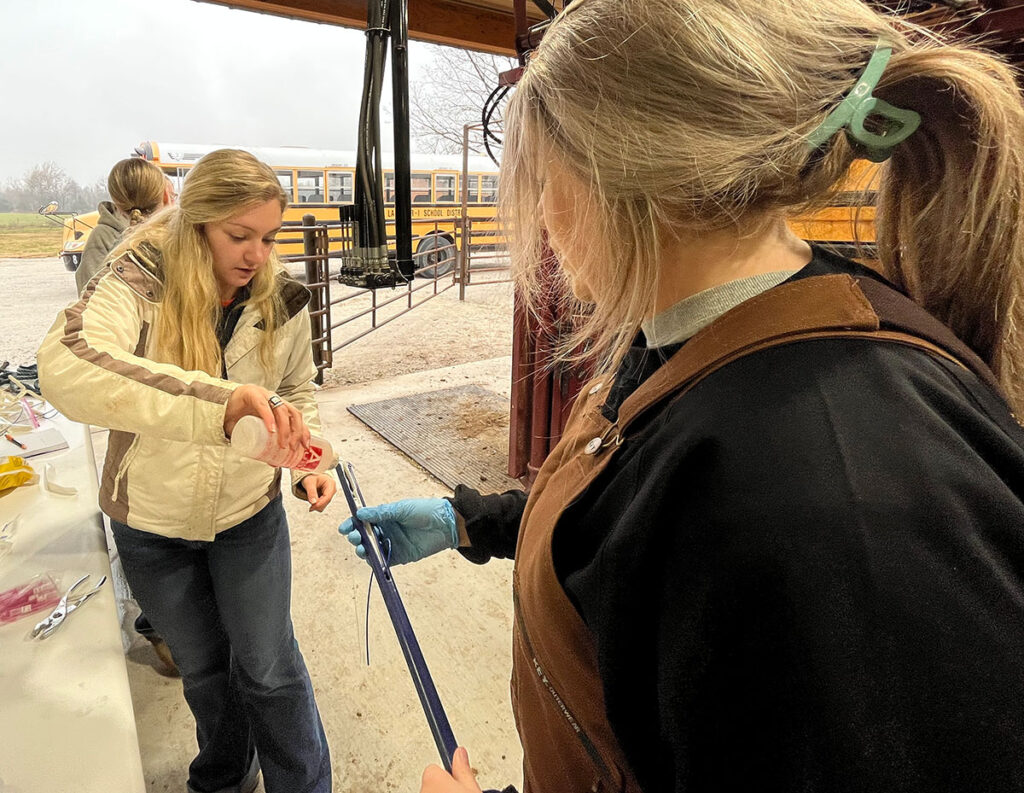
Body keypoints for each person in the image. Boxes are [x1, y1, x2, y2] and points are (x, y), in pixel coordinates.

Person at [341, 1, 1024, 791]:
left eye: (540, 177)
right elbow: (645, 516)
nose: (539, 218)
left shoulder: (829, 500)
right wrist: (473, 520)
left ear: (615, 175)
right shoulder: (705, 331)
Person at [39, 148, 335, 793]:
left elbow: (298, 388)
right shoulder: (139, 277)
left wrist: (307, 452)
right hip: (150, 520)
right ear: (195, 222)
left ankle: (304, 786)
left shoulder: (282, 299)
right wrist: (221, 405)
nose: (257, 254)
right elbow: (66, 364)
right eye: (239, 236)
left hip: (247, 516)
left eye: (269, 237)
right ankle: (224, 779)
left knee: (270, 668)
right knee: (205, 672)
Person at [75, 157, 175, 294]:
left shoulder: (101, 237)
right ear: (165, 196)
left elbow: (87, 297)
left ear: (117, 202)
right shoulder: (182, 240)